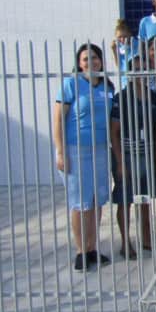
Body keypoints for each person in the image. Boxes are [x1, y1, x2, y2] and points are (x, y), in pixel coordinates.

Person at [53, 44, 114, 272]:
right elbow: (58, 119)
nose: (91, 62)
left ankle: (92, 247)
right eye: (86, 59)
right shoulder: (71, 84)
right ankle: (80, 251)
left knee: (96, 200)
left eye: (95, 58)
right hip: (76, 150)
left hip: (100, 148)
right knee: (80, 203)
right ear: (79, 63)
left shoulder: (107, 85)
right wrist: (61, 151)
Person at [110, 53, 156, 259]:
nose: (142, 73)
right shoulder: (121, 98)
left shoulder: (153, 97)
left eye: (145, 69)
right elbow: (113, 131)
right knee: (125, 200)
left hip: (147, 155)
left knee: (145, 199)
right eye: (138, 69)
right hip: (127, 155)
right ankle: (126, 243)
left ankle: (146, 238)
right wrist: (120, 161)